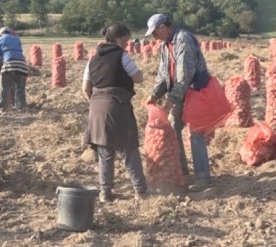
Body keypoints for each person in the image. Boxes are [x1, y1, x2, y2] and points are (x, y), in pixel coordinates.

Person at [144, 13, 214, 192]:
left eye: (154, 32)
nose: (154, 37)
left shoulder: (182, 39)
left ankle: (202, 177)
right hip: (180, 92)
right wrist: (154, 94)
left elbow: (185, 75)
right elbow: (163, 74)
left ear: (163, 27)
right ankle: (181, 171)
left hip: (195, 90)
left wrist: (170, 99)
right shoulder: (165, 45)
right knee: (174, 128)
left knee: (195, 132)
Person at [82, 24, 148, 202]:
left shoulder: (92, 60)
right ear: (119, 39)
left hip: (96, 107)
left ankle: (105, 193)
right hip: (117, 105)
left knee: (105, 151)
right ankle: (140, 191)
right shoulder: (122, 56)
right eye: (126, 40)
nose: (127, 44)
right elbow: (138, 78)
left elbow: (85, 89)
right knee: (128, 148)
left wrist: (97, 102)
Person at [0, 27, 28, 112]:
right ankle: (21, 107)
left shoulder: (0, 40)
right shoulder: (17, 39)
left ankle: (1, 108)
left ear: (0, 34)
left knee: (4, 87)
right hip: (21, 65)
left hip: (9, 65)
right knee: (20, 88)